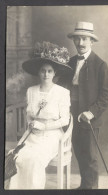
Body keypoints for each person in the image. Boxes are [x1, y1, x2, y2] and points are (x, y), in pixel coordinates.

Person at [8, 41, 72, 189]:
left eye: (49, 71)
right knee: (18, 157)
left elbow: (64, 120)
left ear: (55, 73)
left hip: (52, 137)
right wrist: (32, 124)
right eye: (43, 70)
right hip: (32, 135)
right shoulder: (31, 90)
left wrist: (43, 126)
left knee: (35, 160)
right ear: (38, 72)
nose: (46, 74)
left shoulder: (62, 93)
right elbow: (29, 115)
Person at [67, 22, 108, 189]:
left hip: (89, 116)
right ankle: (85, 185)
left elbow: (106, 95)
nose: (80, 43)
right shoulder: (70, 62)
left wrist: (91, 112)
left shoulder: (100, 65)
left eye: (84, 39)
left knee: (90, 156)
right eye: (77, 39)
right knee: (79, 152)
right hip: (71, 114)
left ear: (91, 41)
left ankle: (91, 188)